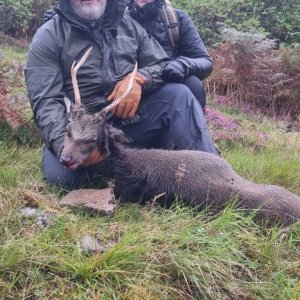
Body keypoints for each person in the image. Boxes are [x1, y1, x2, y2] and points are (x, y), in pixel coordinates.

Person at [25, 0, 217, 189]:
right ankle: (132, 172)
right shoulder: (49, 35)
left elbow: (161, 64)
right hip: (79, 135)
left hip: (128, 123)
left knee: (178, 95)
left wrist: (141, 79)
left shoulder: (128, 26)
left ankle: (215, 177)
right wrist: (64, 145)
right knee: (65, 179)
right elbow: (45, 102)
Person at [127, 0, 213, 111]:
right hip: (129, 86)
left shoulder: (176, 19)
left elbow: (205, 61)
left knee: (193, 85)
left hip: (167, 80)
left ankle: (193, 124)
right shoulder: (119, 22)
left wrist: (183, 65)